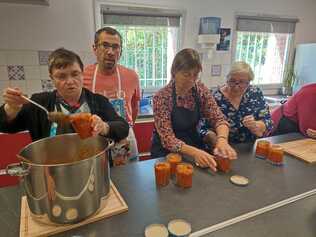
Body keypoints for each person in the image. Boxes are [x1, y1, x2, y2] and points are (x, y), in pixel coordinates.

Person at [0, 48, 129, 143]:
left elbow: (123, 128)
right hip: (52, 171)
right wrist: (11, 109)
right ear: (52, 78)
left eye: (75, 74)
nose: (70, 81)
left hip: (92, 166)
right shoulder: (39, 103)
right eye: (61, 76)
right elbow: (6, 127)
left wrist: (104, 127)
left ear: (82, 74)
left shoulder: (98, 101)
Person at [151, 48, 236, 171]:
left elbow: (218, 118)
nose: (191, 80)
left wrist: (222, 140)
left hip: (193, 145)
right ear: (174, 71)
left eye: (195, 75)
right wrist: (195, 153)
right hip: (166, 153)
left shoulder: (200, 91)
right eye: (186, 74)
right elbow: (167, 139)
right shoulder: (162, 97)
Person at [83, 26, 141, 161]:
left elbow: (134, 107)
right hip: (94, 139)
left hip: (123, 138)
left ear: (120, 51)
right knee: (97, 177)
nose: (110, 52)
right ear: (94, 48)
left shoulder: (131, 76)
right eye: (105, 45)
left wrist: (126, 127)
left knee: (127, 178)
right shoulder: (83, 75)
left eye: (116, 47)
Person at [201, 61, 273, 145]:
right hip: (221, 149)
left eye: (242, 82)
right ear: (227, 79)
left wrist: (257, 125)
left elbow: (268, 121)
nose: (236, 86)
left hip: (250, 148)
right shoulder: (214, 97)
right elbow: (202, 128)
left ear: (249, 82)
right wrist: (218, 141)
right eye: (232, 81)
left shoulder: (255, 93)